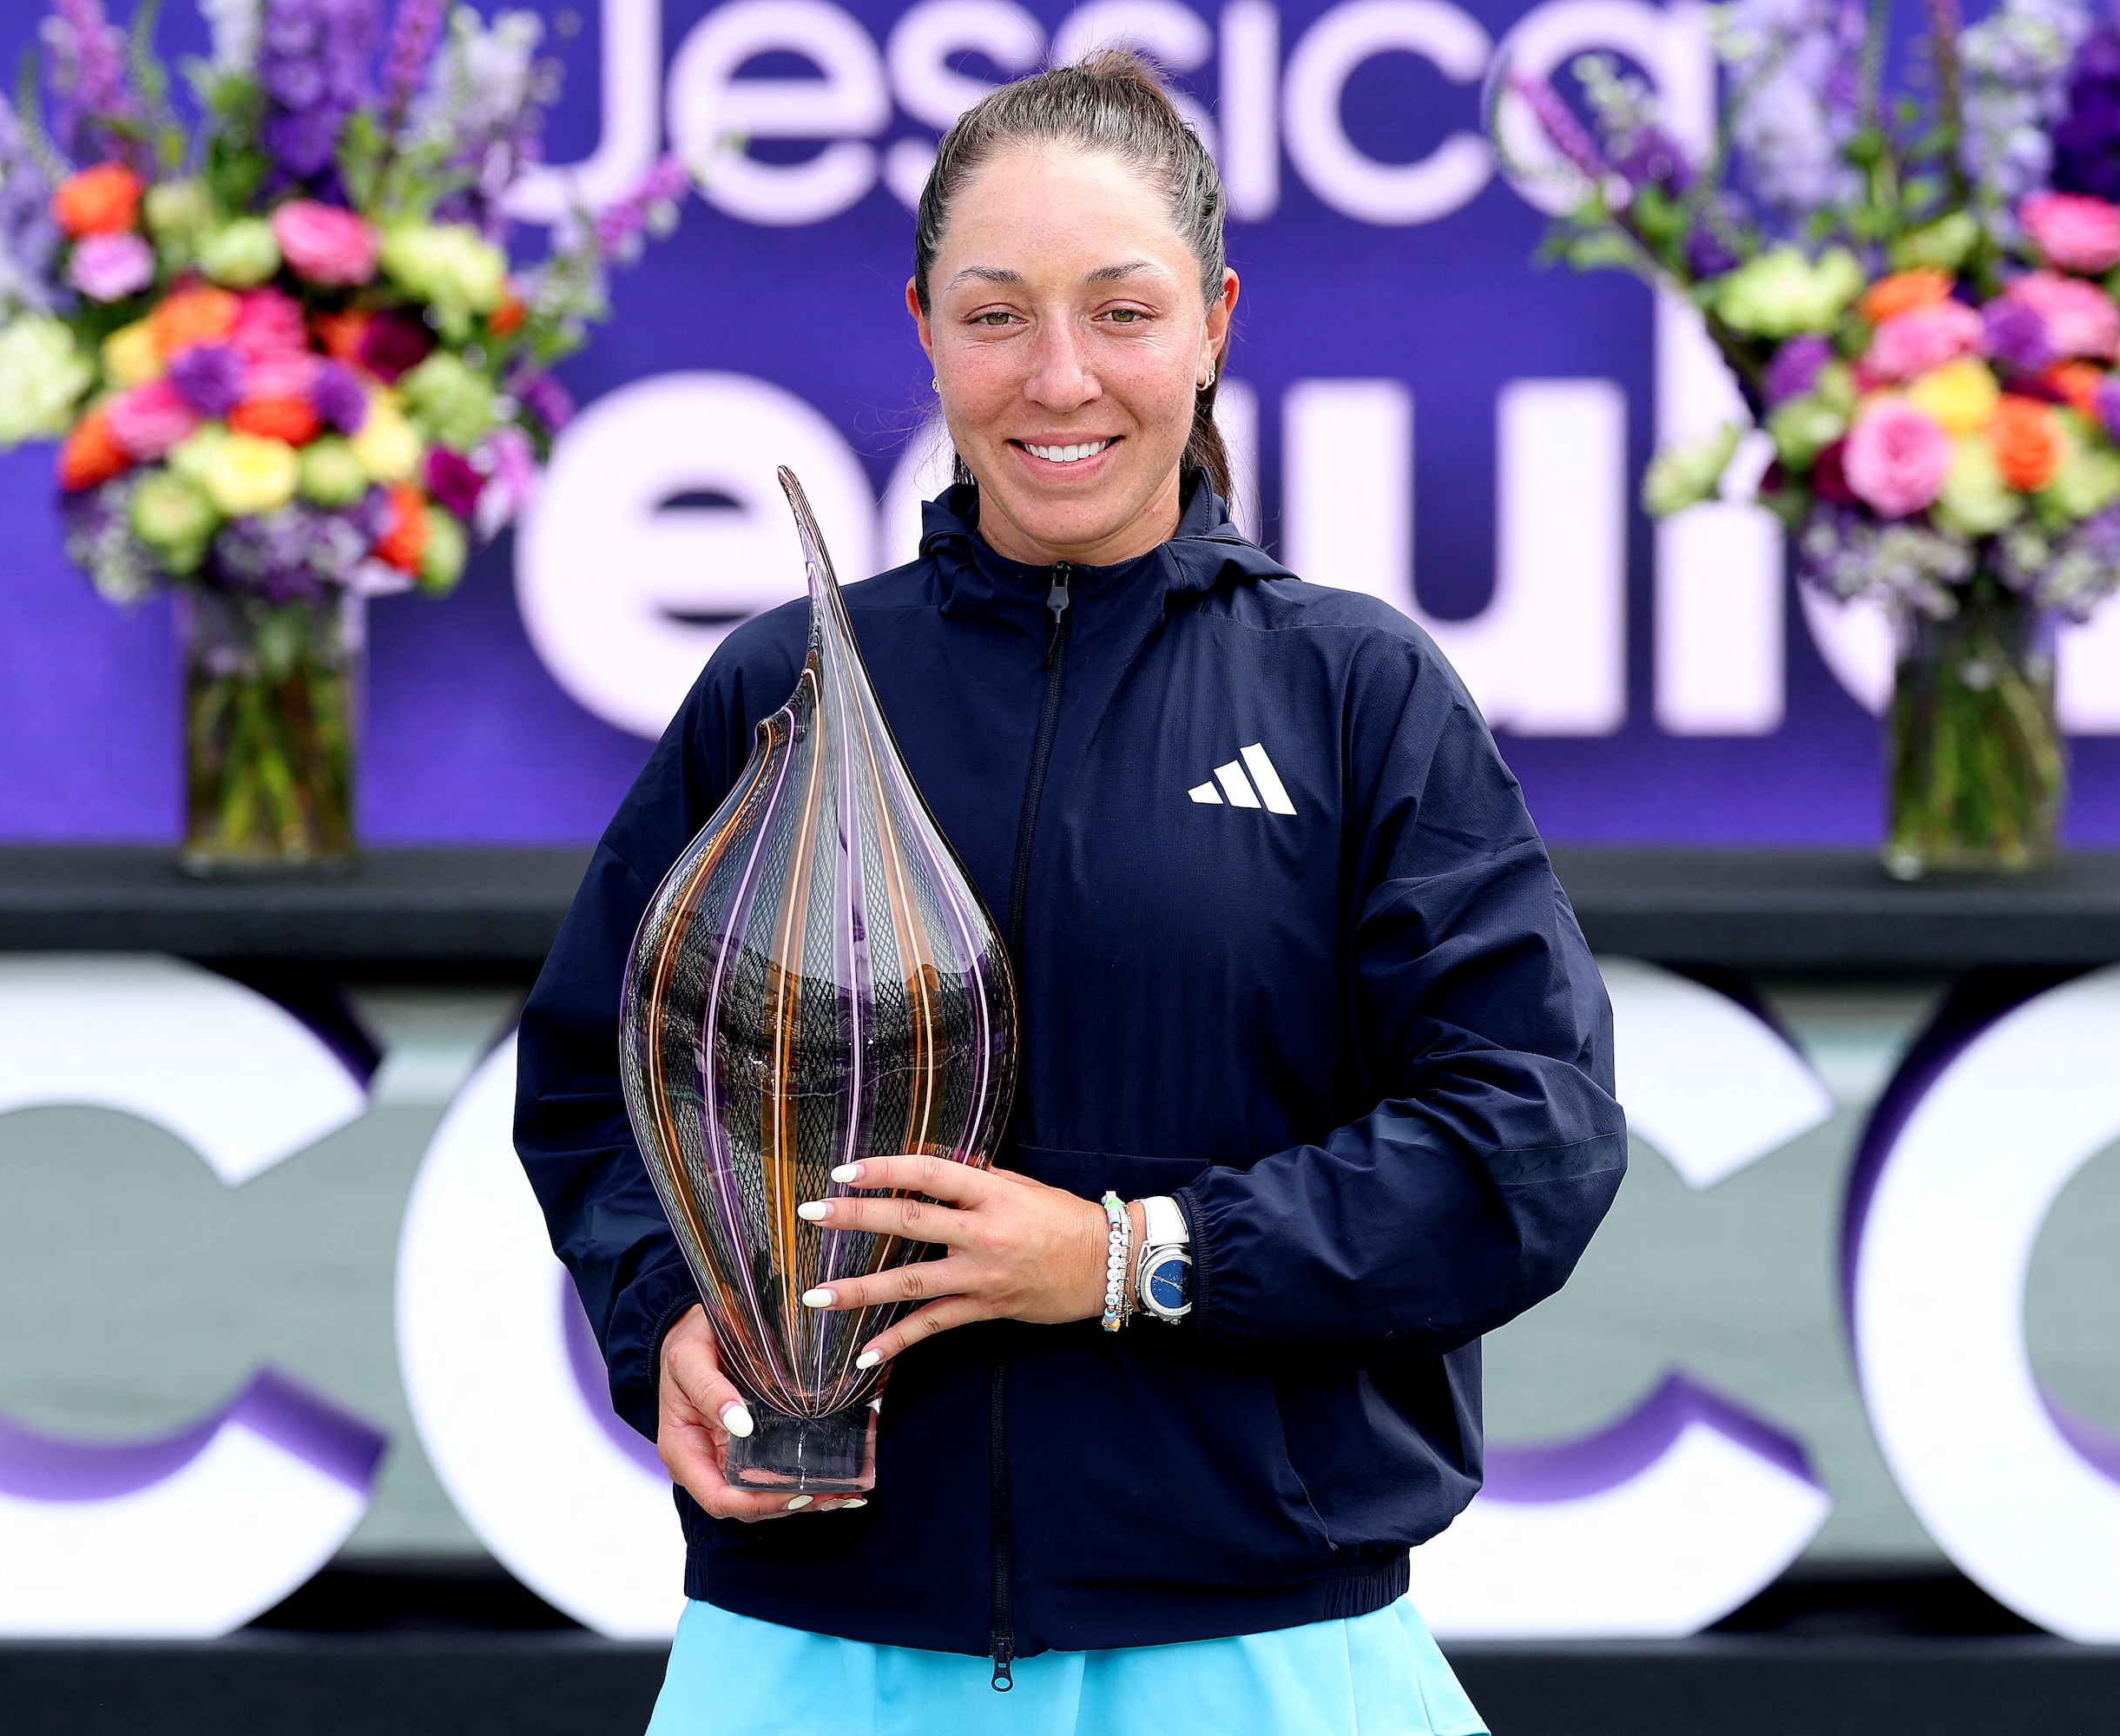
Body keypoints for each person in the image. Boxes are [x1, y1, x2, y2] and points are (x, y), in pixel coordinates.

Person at [515, 49, 1625, 1736]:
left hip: (1251, 1654)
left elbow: (1527, 1140)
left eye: (1122, 312)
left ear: (1214, 323)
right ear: (920, 325)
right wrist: (665, 1309)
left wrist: (1136, 1257)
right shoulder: (784, 689)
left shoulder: (1351, 692)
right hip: (821, 1652)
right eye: (993, 315)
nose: (1058, 379)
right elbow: (597, 1071)